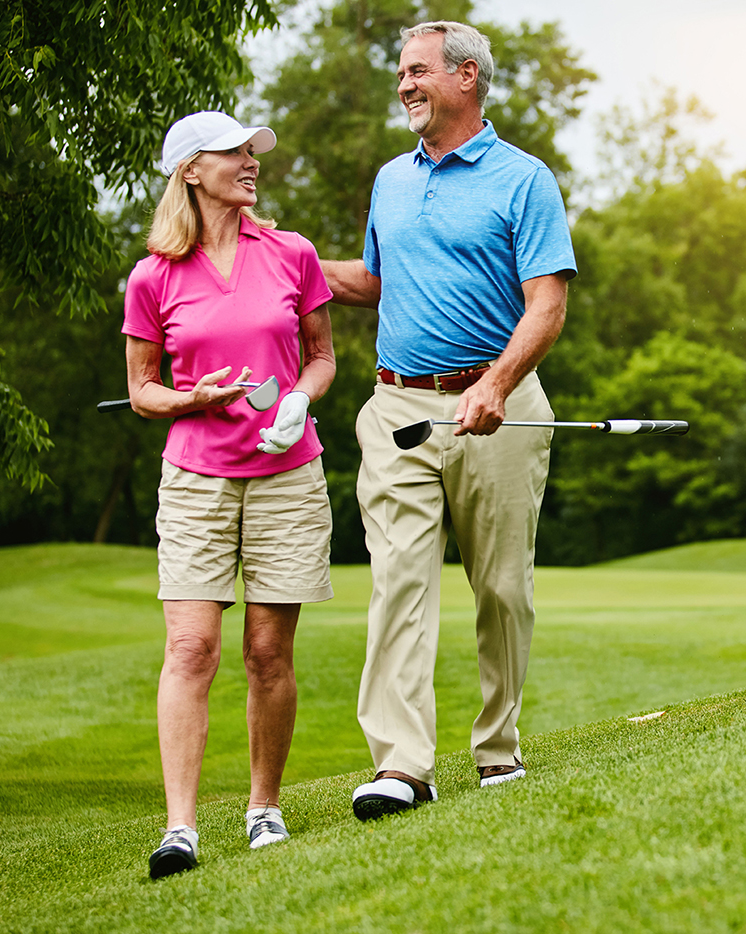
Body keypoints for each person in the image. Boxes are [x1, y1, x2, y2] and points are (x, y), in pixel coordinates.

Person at [322, 20, 576, 819]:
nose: (404, 84)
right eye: (401, 71)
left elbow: (548, 305)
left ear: (467, 76)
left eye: (419, 70)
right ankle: (401, 766)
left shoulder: (522, 179)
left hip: (498, 408)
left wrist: (498, 382)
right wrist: (282, 259)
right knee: (397, 580)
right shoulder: (390, 180)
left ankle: (498, 747)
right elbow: (372, 280)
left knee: (501, 586)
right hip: (396, 404)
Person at [122, 111, 336, 878]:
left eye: (253, 153)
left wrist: (301, 401)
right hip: (195, 481)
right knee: (191, 647)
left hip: (286, 477)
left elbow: (321, 357)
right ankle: (180, 827)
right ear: (189, 170)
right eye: (233, 153)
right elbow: (141, 390)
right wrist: (190, 400)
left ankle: (263, 808)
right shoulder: (154, 274)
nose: (250, 163)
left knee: (268, 651)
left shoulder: (292, 253)